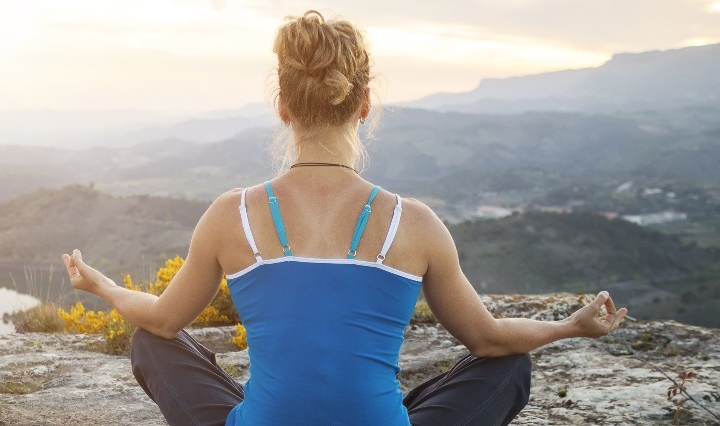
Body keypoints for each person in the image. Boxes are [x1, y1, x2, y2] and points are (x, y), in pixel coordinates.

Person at [61, 10, 629, 426]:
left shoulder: (229, 214)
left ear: (282, 107)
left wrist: (106, 286)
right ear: (364, 106)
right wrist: (570, 326)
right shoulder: (417, 223)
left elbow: (160, 323)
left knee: (152, 345)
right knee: (508, 367)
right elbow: (488, 339)